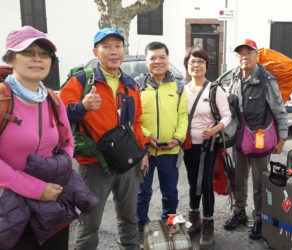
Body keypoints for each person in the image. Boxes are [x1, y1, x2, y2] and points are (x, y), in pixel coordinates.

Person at [60, 28, 149, 250]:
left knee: (129, 217)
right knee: (90, 221)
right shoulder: (81, 81)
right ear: (95, 52)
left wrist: (143, 152)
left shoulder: (131, 84)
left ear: (123, 51)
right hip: (95, 164)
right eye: (106, 46)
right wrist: (82, 107)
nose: (113, 51)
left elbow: (137, 122)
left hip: (128, 162)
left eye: (118, 46)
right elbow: (59, 116)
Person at [0, 26, 75, 250]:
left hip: (51, 206)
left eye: (44, 53)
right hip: (9, 210)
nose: (37, 58)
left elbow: (67, 143)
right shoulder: (2, 99)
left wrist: (58, 170)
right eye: (28, 51)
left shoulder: (53, 99)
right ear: (11, 59)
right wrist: (35, 189)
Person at [223, 39, 288, 240]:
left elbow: (279, 110)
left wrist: (282, 138)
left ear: (256, 56)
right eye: (240, 53)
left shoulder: (267, 80)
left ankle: (260, 219)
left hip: (260, 139)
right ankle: (239, 212)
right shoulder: (234, 77)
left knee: (260, 182)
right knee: (238, 179)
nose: (244, 56)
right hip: (240, 138)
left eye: (249, 52)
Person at [135, 42, 188, 229]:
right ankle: (140, 225)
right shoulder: (137, 85)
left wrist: (178, 138)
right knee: (142, 193)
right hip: (144, 151)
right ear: (146, 61)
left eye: (162, 57)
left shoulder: (179, 86)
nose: (158, 61)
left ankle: (170, 223)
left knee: (170, 193)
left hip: (170, 150)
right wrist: (147, 135)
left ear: (168, 59)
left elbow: (183, 116)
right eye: (153, 58)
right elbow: (133, 117)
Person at [182, 47, 231, 246]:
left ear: (206, 66)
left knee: (206, 184)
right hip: (187, 145)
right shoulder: (182, 90)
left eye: (200, 62)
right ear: (187, 65)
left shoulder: (214, 89)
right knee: (193, 182)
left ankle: (208, 223)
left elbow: (227, 116)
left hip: (207, 146)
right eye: (192, 61)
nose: (196, 65)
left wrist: (214, 129)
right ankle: (195, 219)